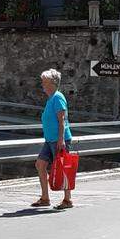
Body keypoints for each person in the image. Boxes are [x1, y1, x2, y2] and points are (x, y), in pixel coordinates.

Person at [33, 68, 74, 210]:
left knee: (63, 168)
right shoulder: (51, 99)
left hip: (59, 139)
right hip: (49, 139)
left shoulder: (58, 97)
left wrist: (61, 139)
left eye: (45, 81)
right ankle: (45, 198)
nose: (42, 84)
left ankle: (67, 199)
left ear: (52, 83)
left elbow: (62, 120)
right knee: (40, 164)